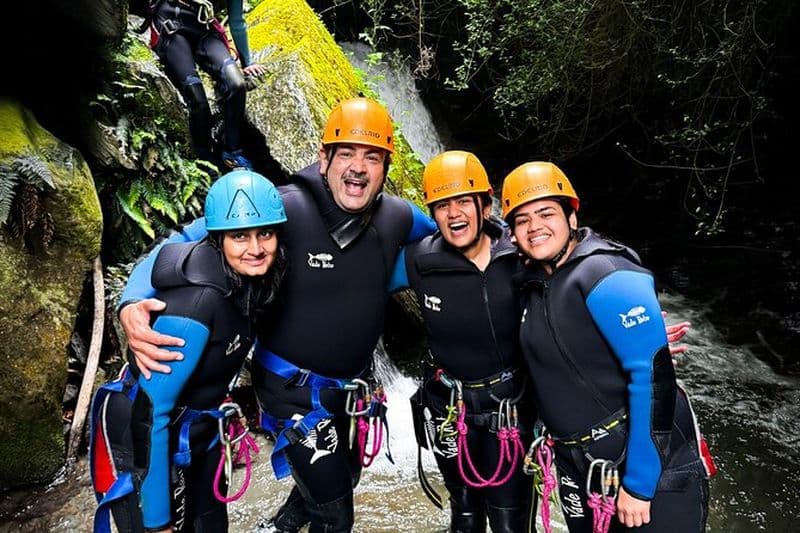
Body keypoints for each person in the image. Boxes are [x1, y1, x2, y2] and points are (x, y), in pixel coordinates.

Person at [115, 97, 437, 532]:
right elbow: (177, 244)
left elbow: (453, 234)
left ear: (385, 169)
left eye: (372, 157)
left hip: (352, 388)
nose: (358, 168)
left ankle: (279, 526)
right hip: (293, 390)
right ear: (323, 159)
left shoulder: (398, 216)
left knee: (345, 475)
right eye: (347, 153)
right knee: (335, 513)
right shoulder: (282, 208)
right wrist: (132, 302)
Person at [501, 162, 713, 532]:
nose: (535, 227)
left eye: (546, 213)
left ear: (571, 215)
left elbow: (652, 377)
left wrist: (640, 485)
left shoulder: (608, 273)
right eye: (522, 220)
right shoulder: (535, 281)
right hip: (578, 463)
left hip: (643, 463)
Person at [90, 169, 288, 532]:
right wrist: (157, 524)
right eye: (239, 235)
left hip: (198, 423)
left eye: (266, 233)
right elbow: (151, 413)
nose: (256, 248)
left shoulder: (247, 283)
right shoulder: (197, 304)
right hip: (144, 432)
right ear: (217, 240)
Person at [389, 151, 536, 532]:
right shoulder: (419, 260)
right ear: (432, 214)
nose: (454, 214)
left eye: (462, 202)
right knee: (465, 516)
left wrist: (625, 332)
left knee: (510, 522)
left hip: (511, 406)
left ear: (484, 205)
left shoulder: (522, 255)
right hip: (449, 406)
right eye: (442, 205)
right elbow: (357, 285)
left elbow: (575, 286)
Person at [149, 0, 267, 169]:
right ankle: (205, 163)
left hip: (204, 28)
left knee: (236, 84)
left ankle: (232, 151)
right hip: (171, 26)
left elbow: (236, 21)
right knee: (198, 101)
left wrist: (247, 62)